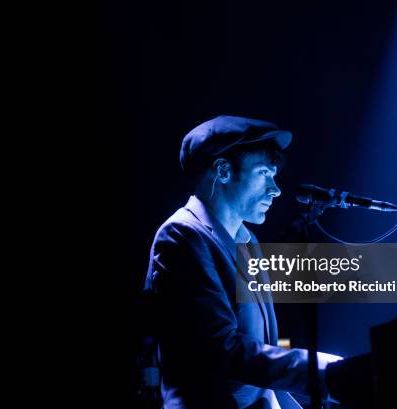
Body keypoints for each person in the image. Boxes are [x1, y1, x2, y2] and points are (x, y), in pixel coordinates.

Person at [144, 115, 341, 409]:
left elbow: (263, 363)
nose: (276, 189)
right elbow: (224, 351)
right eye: (264, 173)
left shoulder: (247, 241)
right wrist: (328, 372)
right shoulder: (181, 236)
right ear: (223, 170)